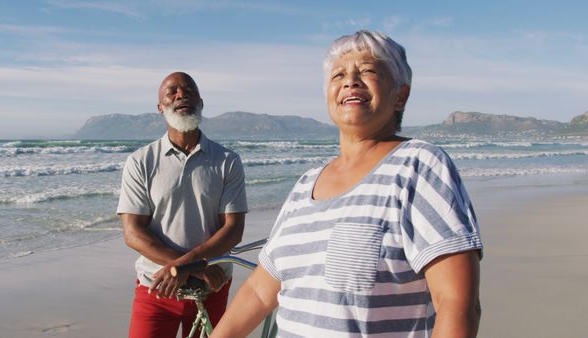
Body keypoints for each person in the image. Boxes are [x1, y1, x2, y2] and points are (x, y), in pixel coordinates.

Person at [211, 31, 483, 337]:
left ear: (400, 95)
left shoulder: (418, 166)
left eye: (367, 71)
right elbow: (261, 291)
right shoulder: (305, 184)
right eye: (338, 74)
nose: (350, 81)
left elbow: (457, 304)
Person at [117, 72, 248, 338]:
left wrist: (186, 267)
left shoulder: (227, 161)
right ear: (160, 107)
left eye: (189, 90)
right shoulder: (141, 161)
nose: (181, 95)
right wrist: (194, 268)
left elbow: (233, 229)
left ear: (200, 101)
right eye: (172, 91)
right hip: (157, 287)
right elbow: (133, 233)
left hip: (212, 288)